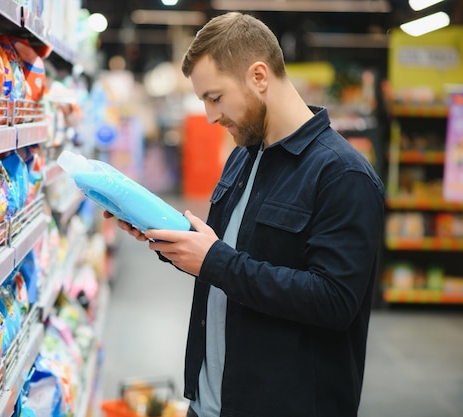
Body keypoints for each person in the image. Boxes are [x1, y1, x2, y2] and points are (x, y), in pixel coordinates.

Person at [104, 11, 385, 417]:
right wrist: (167, 239)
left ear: (258, 76)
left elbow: (334, 301)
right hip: (213, 400)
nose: (210, 116)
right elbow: (229, 257)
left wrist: (216, 260)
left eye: (214, 97)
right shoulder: (243, 157)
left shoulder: (343, 175)